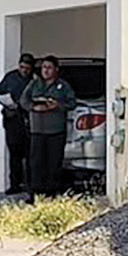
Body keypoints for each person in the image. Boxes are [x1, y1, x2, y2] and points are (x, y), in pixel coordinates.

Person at [19, 55, 76, 202]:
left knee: (54, 163)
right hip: (37, 130)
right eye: (44, 67)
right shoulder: (34, 85)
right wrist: (34, 107)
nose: (46, 71)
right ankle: (35, 194)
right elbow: (23, 100)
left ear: (56, 69)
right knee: (36, 163)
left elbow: (72, 103)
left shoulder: (63, 86)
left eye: (49, 67)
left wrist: (57, 105)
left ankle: (52, 193)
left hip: (55, 131)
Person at [0, 53, 36, 195]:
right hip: (12, 119)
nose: (24, 70)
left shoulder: (34, 80)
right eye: (22, 67)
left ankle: (31, 184)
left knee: (30, 154)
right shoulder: (10, 77)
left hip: (28, 120)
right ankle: (14, 183)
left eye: (27, 68)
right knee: (14, 154)